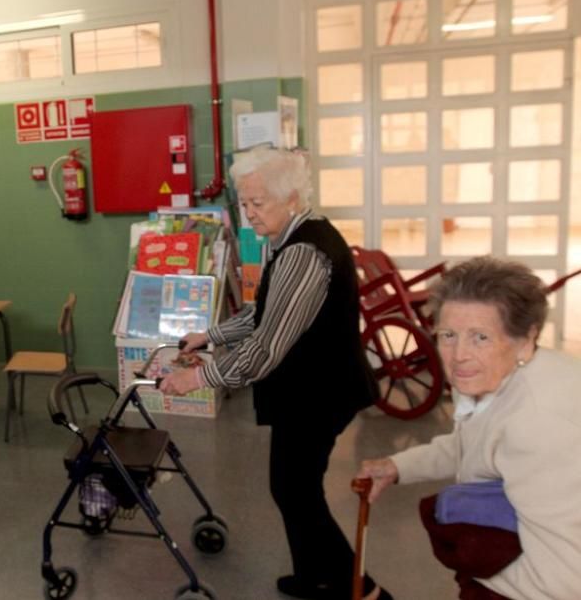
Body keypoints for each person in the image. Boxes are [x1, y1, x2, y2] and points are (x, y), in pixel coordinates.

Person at [159, 146, 387, 600]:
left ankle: (361, 589)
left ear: (292, 198)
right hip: (311, 389)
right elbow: (266, 312)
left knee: (296, 490)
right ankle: (312, 578)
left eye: (257, 203)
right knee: (292, 487)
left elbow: (266, 346)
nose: (249, 214)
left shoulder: (305, 253)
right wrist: (210, 335)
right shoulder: (293, 236)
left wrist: (199, 378)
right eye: (244, 203)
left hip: (320, 393)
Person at [357, 257, 581, 600]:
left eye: (480, 337)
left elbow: (564, 580)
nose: (458, 354)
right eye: (448, 335)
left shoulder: (537, 426)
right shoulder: (495, 373)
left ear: (525, 338)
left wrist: (480, 580)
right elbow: (470, 443)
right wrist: (398, 467)